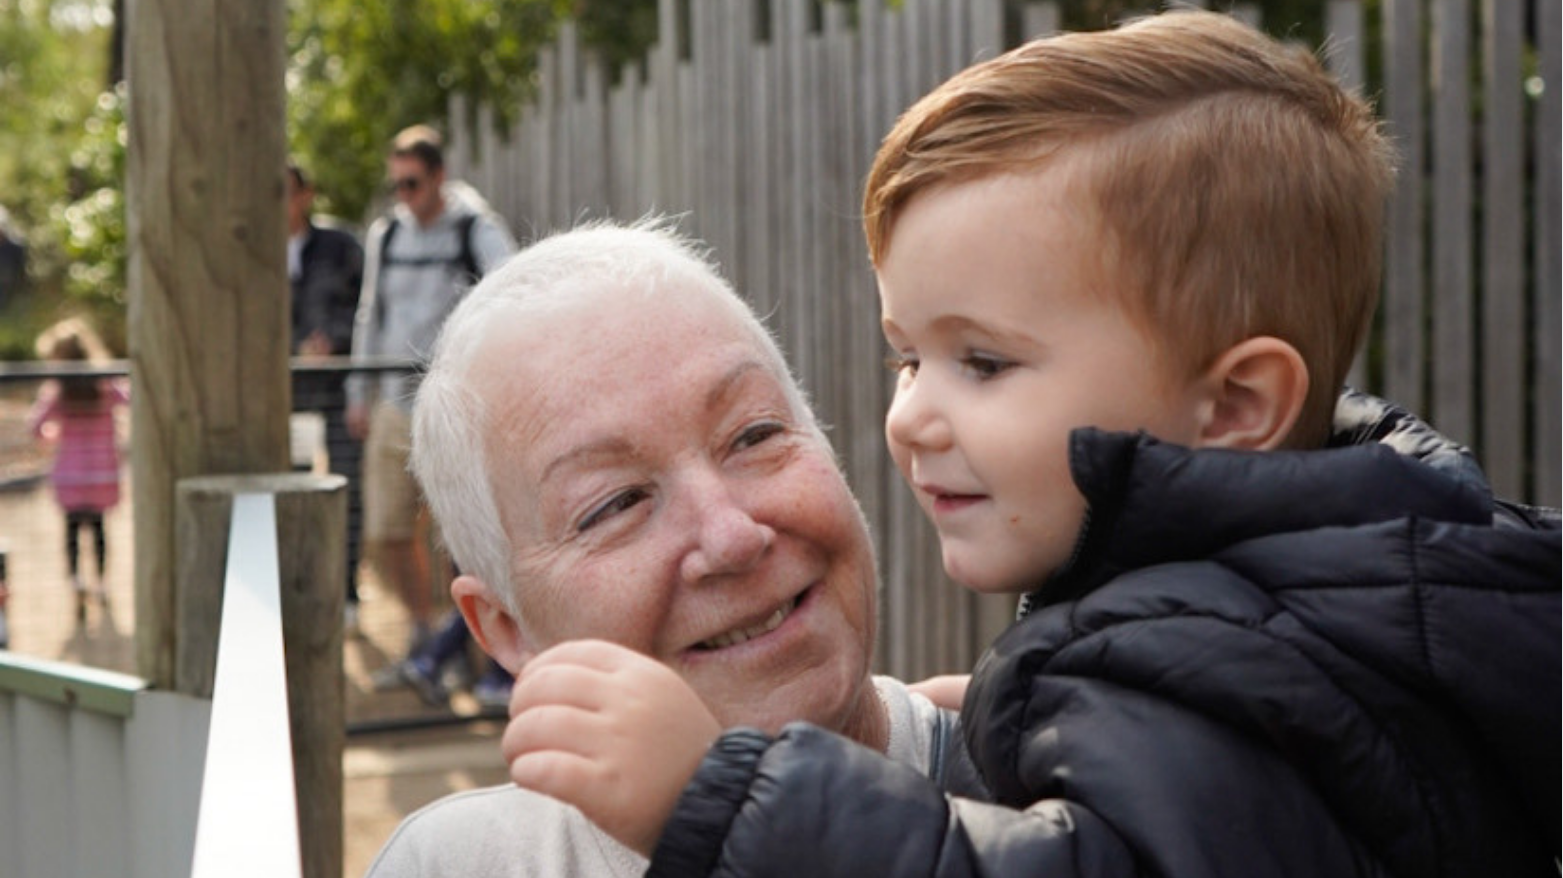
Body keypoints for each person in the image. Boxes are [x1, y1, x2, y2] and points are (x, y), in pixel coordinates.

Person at [501, 11, 1562, 877]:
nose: (912, 414)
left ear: (1236, 406)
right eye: (905, 357)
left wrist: (722, 800)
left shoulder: (1228, 671)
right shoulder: (1336, 604)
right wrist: (1032, 719)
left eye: (985, 363)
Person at [363, 219, 975, 877]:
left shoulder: (1056, 798)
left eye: (754, 435)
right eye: (615, 504)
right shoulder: (458, 866)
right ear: (507, 628)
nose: (732, 537)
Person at [347, 124, 516, 666]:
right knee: (385, 530)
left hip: (455, 408)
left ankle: (480, 656)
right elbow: (370, 312)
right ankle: (426, 629)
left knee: (460, 539)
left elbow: (511, 291)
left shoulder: (475, 229)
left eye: (413, 183)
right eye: (396, 184)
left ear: (438, 176)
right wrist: (358, 390)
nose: (404, 195)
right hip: (396, 405)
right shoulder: (386, 235)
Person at [286, 161, 367, 631]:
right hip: (286, 398)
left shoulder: (340, 247)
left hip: (336, 392)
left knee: (347, 492)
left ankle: (348, 592)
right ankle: (302, 594)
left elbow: (366, 308)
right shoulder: (251, 251)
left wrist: (331, 340)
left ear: (307, 195)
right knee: (291, 491)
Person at [28, 318, 130, 624]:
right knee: (98, 530)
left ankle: (76, 584)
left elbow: (36, 425)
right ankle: (100, 582)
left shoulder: (58, 390)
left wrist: (52, 436)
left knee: (71, 532)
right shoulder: (105, 383)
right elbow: (131, 400)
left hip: (70, 472)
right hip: (101, 471)